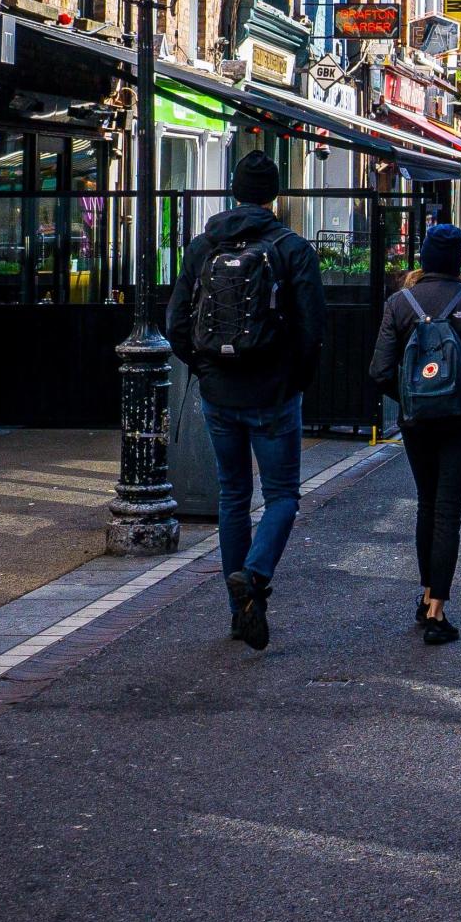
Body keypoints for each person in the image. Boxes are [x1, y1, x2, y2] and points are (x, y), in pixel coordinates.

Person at [165, 150, 327, 651]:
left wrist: (207, 368)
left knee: (233, 496)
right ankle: (255, 576)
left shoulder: (202, 245)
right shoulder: (292, 248)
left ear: (234, 190)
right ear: (273, 195)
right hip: (273, 392)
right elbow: (311, 330)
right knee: (282, 496)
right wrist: (293, 380)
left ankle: (240, 614)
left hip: (220, 392)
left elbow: (176, 324)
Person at [369, 224, 461, 645]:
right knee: (448, 509)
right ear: (458, 260)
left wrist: (410, 399)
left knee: (426, 505)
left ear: (424, 258)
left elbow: (379, 371)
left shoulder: (400, 302)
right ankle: (437, 611)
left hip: (417, 423)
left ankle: (428, 592)